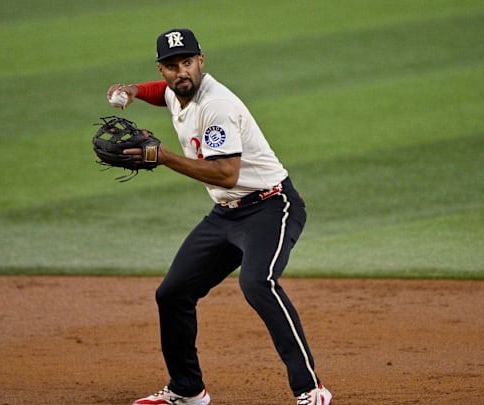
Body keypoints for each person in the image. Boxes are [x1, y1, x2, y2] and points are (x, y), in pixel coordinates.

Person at [107, 28, 332, 405]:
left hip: (271, 207)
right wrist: (131, 90)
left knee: (258, 283)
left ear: (201, 61)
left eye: (188, 63)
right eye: (172, 65)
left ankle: (311, 389)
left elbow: (226, 173)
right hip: (226, 214)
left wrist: (164, 157)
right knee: (173, 293)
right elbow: (160, 92)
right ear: (162, 68)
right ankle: (187, 390)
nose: (182, 72)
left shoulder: (218, 107)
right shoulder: (174, 89)